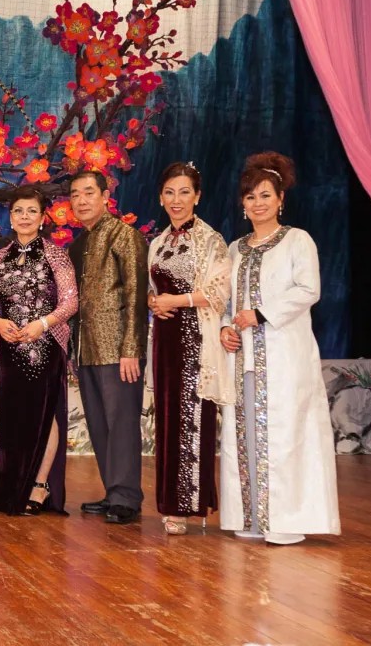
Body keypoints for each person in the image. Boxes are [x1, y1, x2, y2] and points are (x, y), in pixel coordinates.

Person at [219, 152, 340, 545]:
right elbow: (224, 300)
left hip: (284, 355)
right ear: (242, 203)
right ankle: (252, 517)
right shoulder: (235, 249)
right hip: (243, 359)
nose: (258, 203)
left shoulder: (297, 241)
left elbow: (309, 290)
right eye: (250, 196)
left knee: (286, 433)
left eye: (265, 195)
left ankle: (286, 520)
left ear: (281, 199)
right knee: (245, 434)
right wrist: (226, 328)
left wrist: (261, 313)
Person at [147, 162, 231, 535]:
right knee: (167, 420)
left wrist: (173, 302)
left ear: (197, 196)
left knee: (191, 418)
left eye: (184, 192)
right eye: (170, 192)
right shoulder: (158, 242)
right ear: (161, 197)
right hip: (165, 340)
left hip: (195, 339)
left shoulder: (211, 240)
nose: (176, 200)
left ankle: (188, 504)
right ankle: (170, 502)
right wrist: (155, 303)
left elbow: (217, 291)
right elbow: (153, 292)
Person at [0, 186, 79, 516]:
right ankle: (11, 487)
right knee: (13, 417)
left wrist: (42, 324)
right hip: (11, 348)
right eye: (18, 211)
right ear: (10, 217)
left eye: (31, 211)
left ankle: (39, 486)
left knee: (44, 415)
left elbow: (70, 302)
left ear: (43, 218)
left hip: (45, 345)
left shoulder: (56, 255)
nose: (24, 217)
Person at [67, 169, 149, 525]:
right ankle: (112, 490)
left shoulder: (125, 236)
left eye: (89, 193)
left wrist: (131, 348)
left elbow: (136, 296)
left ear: (105, 196)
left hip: (118, 350)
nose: (82, 201)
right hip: (87, 348)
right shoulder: (78, 244)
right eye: (75, 195)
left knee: (122, 423)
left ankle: (126, 497)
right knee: (99, 424)